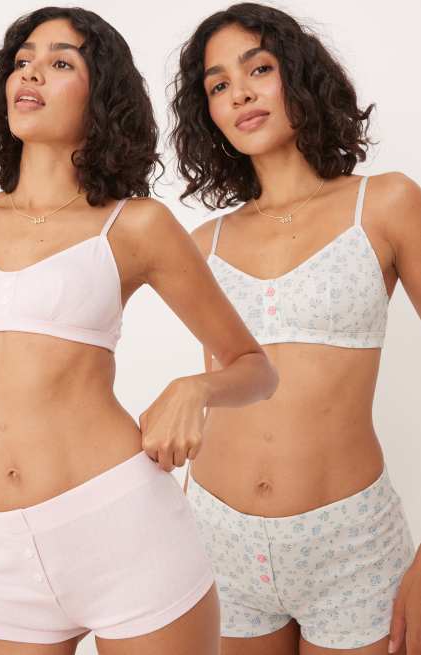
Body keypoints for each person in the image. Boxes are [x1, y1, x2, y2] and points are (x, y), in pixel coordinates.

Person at [0, 7, 279, 655]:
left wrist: (193, 388)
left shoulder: (135, 225)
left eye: (60, 62)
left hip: (125, 532)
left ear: (100, 96)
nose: (31, 73)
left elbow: (253, 366)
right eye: (22, 60)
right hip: (4, 558)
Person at [170, 3, 421, 654]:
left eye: (258, 69)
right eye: (218, 85)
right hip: (216, 536)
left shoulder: (384, 203)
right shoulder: (202, 243)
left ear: (300, 75)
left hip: (351, 545)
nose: (239, 94)